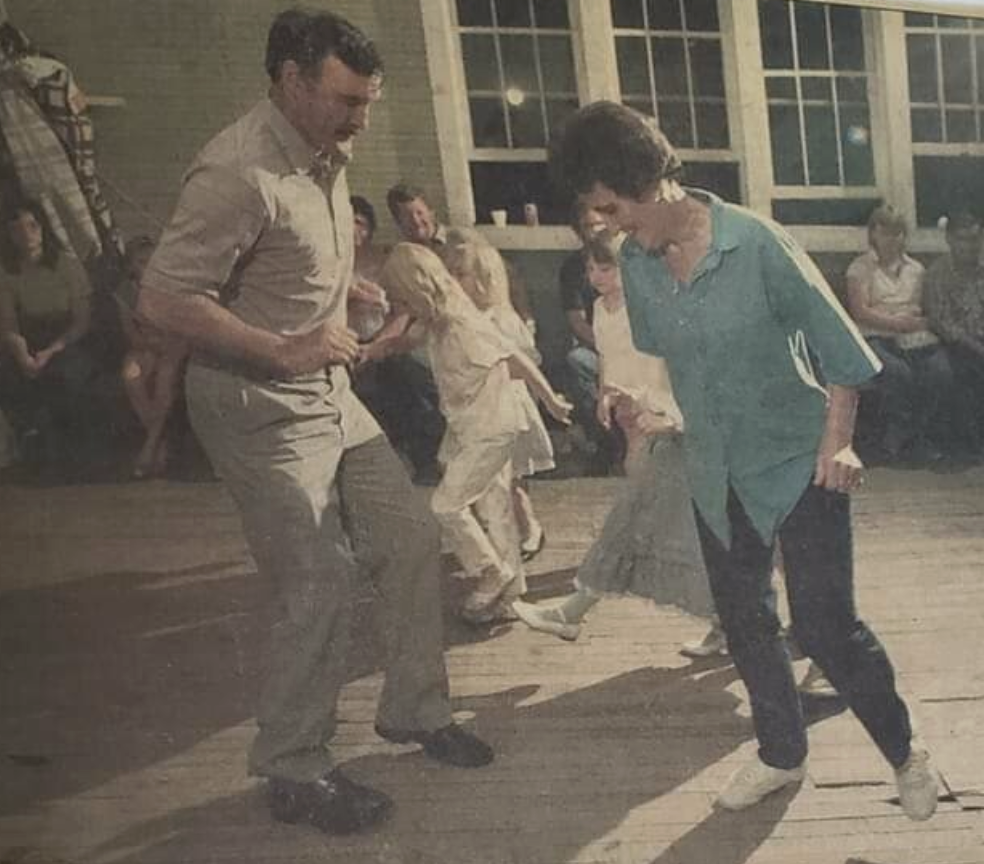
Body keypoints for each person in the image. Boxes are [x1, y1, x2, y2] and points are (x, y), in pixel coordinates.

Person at [137, 9, 493, 837]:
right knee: (319, 580)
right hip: (256, 403)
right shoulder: (235, 171)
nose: (361, 118)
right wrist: (282, 344)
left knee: (407, 538)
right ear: (292, 81)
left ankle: (413, 710)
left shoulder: (326, 151)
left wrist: (345, 295)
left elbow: (287, 259)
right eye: (347, 100)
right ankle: (293, 766)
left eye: (369, 101)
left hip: (329, 395)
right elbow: (161, 298)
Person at [548, 100, 938, 820]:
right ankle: (781, 757)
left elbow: (845, 355)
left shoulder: (756, 242)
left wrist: (838, 440)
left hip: (799, 462)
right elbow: (670, 360)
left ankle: (907, 753)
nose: (605, 225)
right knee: (746, 620)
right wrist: (640, 403)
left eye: (609, 205)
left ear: (648, 178)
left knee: (825, 628)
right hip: (713, 468)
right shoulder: (635, 263)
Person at [511, 230, 716, 643]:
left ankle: (570, 612)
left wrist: (661, 412)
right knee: (687, 528)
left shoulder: (654, 309)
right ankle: (726, 623)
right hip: (640, 417)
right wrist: (607, 394)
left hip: (670, 423)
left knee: (634, 518)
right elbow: (610, 359)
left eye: (606, 268)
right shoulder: (602, 310)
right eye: (590, 268)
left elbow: (679, 370)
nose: (596, 276)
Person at [379, 242, 571, 623]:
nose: (402, 309)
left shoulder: (463, 324)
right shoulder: (438, 318)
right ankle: (511, 591)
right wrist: (375, 347)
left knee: (446, 504)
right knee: (495, 505)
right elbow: (409, 337)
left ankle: (490, 571)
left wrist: (550, 401)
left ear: (419, 290)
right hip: (470, 424)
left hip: (491, 427)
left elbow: (513, 358)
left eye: (403, 300)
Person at [443, 227, 555, 560]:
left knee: (512, 479)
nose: (453, 281)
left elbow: (526, 361)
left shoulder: (501, 318)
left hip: (505, 407)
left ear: (483, 280)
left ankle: (530, 528)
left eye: (461, 274)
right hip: (475, 411)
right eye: (450, 274)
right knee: (485, 482)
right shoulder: (460, 320)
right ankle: (498, 541)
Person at [0, 197, 99, 476]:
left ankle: (70, 457)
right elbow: (9, 324)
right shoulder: (6, 271)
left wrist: (50, 352)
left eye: (32, 226)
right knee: (11, 374)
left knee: (65, 374)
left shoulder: (67, 264)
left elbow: (82, 321)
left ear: (43, 228)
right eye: (17, 230)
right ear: (8, 235)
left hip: (69, 338)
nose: (27, 235)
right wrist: (23, 356)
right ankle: (30, 451)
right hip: (29, 338)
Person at [846, 205, 952, 461]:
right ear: (873, 235)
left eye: (898, 234)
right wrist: (896, 323)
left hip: (913, 336)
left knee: (940, 370)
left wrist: (914, 321)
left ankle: (919, 434)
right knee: (898, 372)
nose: (892, 240)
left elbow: (919, 307)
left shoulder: (916, 270)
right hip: (874, 335)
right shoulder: (859, 268)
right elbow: (859, 312)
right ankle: (899, 434)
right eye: (885, 233)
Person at [113, 235, 187, 478]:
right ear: (131, 265)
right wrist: (148, 346)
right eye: (141, 261)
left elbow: (180, 329)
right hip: (144, 345)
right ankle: (158, 443)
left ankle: (149, 448)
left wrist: (162, 346)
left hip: (173, 345)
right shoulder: (126, 291)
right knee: (130, 373)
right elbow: (130, 332)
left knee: (165, 376)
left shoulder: (172, 287)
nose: (147, 266)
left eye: (152, 260)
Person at [558, 204, 622, 473]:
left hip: (633, 352)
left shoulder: (625, 260)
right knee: (576, 362)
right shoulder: (573, 268)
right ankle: (606, 443)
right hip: (596, 348)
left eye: (598, 225)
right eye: (587, 226)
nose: (594, 231)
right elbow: (576, 321)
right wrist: (604, 347)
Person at [922, 211, 984, 456]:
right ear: (949, 239)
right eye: (962, 239)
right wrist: (977, 348)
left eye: (974, 238)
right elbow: (941, 322)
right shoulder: (938, 273)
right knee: (943, 372)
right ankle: (964, 443)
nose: (969, 245)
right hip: (955, 346)